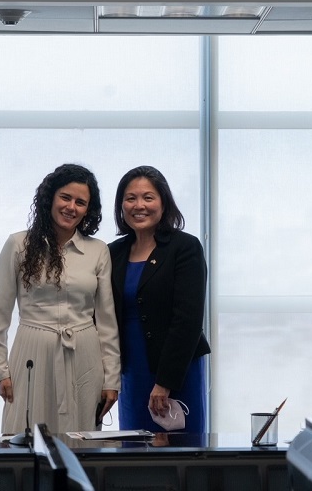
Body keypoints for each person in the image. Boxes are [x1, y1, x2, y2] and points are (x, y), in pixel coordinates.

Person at [0, 163, 120, 435]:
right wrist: (0, 370)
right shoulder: (18, 245)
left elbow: (106, 322)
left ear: (88, 210)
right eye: (66, 197)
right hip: (32, 351)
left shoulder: (98, 251)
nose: (72, 207)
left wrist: (111, 379)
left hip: (84, 353)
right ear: (51, 198)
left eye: (81, 202)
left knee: (82, 438)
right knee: (25, 434)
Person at [108, 165, 211, 433]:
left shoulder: (184, 248)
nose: (139, 205)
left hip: (176, 372)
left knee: (179, 453)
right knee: (133, 447)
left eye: (148, 197)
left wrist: (165, 382)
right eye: (130, 198)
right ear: (121, 206)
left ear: (164, 203)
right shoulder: (113, 252)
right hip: (131, 372)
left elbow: (188, 320)